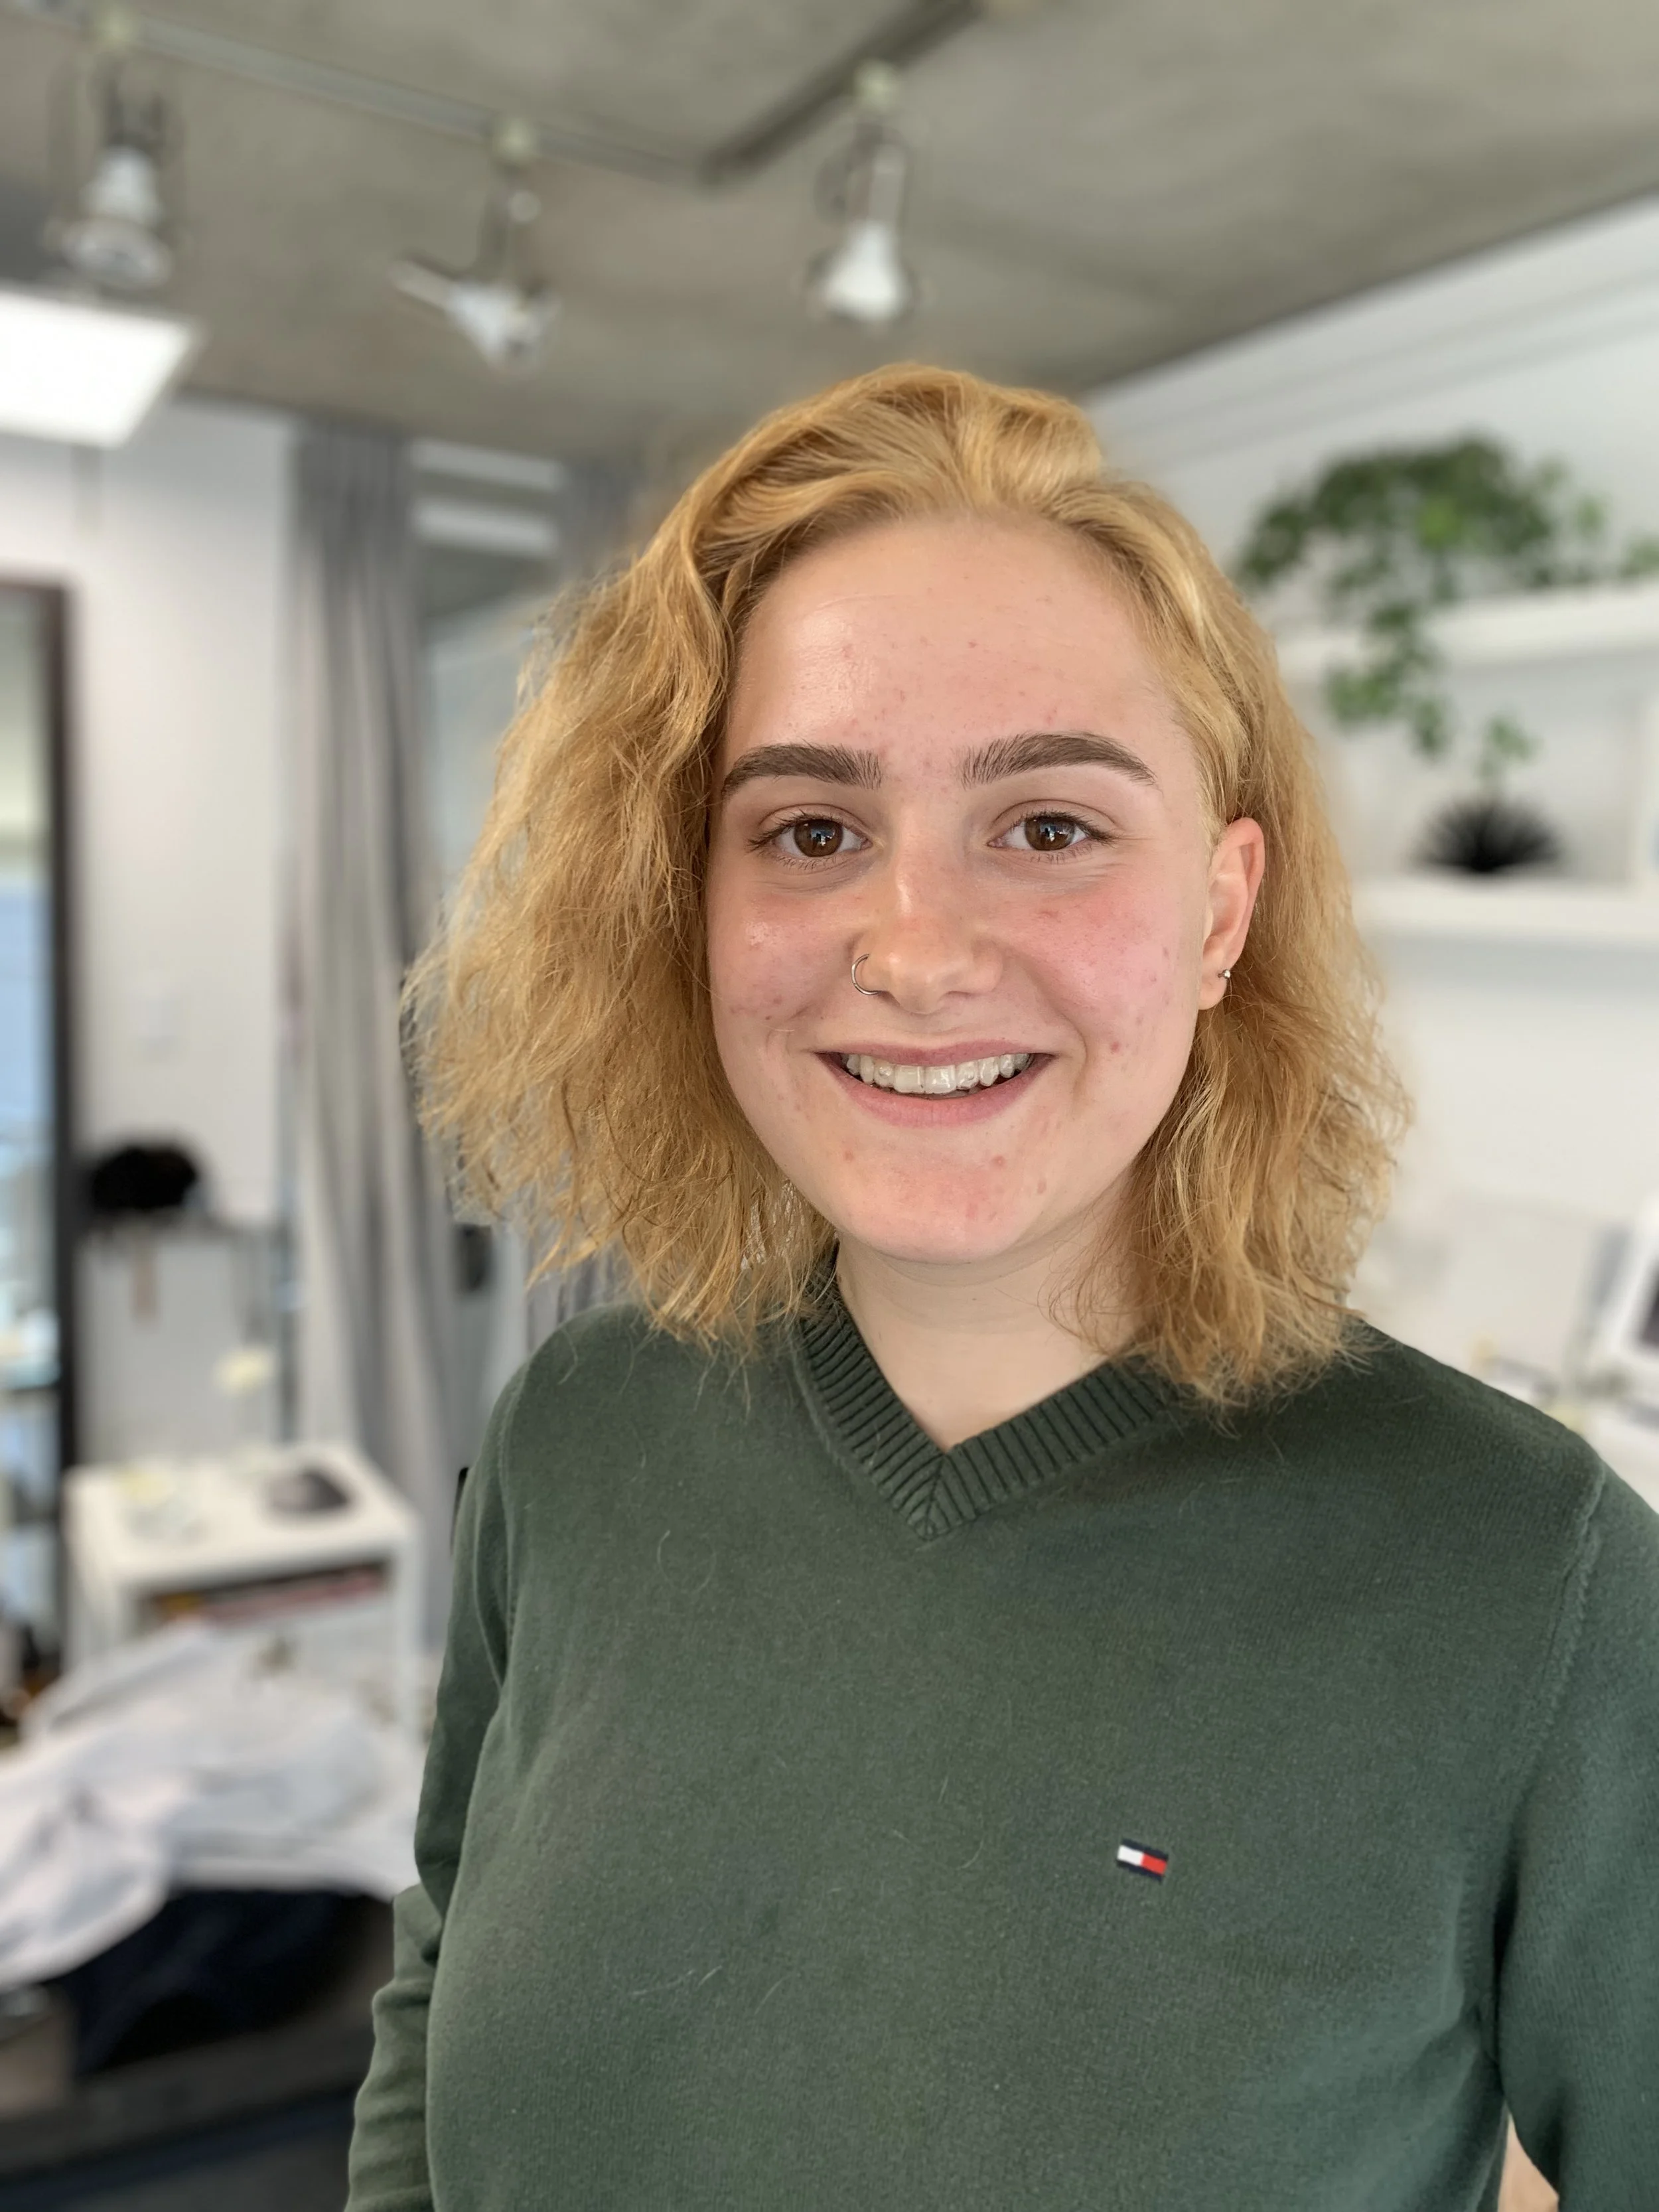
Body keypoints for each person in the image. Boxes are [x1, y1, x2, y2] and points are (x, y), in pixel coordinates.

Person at [346, 365, 1658, 2209]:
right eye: (810, 830)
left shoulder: (1535, 1578)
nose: (917, 952)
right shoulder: (577, 1433)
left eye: (1047, 825)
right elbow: (435, 1976)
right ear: (688, 905)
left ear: (1216, 913)